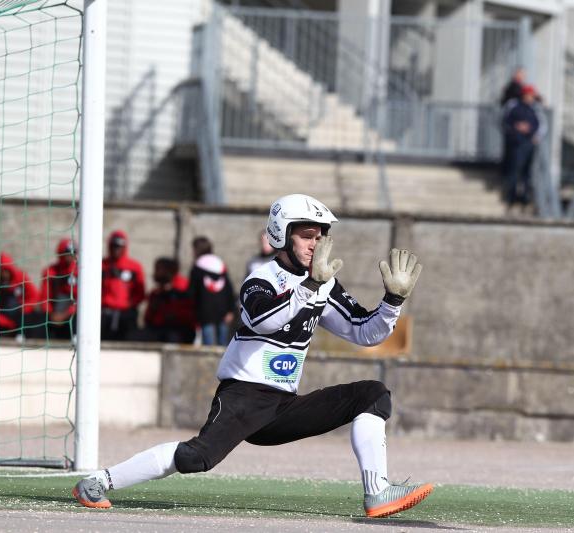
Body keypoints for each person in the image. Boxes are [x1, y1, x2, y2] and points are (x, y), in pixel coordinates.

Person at [71, 193, 432, 518]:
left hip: (282, 406)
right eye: (307, 236)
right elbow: (264, 320)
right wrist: (310, 286)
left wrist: (393, 301)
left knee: (373, 394)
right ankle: (99, 481)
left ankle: (377, 493)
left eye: (321, 237)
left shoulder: (324, 284)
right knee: (197, 457)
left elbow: (365, 332)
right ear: (282, 235)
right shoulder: (260, 279)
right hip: (243, 397)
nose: (316, 244)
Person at [188, 236, 235, 346]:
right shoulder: (220, 264)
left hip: (205, 313)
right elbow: (229, 289)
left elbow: (192, 292)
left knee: (208, 346)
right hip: (223, 311)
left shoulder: (197, 267)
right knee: (223, 346)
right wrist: (231, 310)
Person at [501, 84, 541, 211]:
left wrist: (531, 131)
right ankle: (511, 197)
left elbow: (538, 125)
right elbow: (506, 123)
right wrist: (517, 128)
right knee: (514, 171)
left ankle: (525, 197)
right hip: (517, 144)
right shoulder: (515, 107)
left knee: (526, 173)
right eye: (529, 95)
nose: (531, 98)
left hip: (528, 144)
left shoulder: (533, 110)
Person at [100, 230, 145, 341]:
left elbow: (140, 292)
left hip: (126, 313)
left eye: (119, 246)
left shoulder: (134, 267)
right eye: (114, 246)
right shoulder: (101, 265)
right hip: (104, 313)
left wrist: (128, 304)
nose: (116, 249)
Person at [0, 252, 42, 339]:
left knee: (36, 317)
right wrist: (7, 323)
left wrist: (24, 309)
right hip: (3, 319)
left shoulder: (21, 278)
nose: (4, 274)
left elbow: (34, 296)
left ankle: (22, 335)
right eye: (1, 271)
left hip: (21, 315)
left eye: (6, 271)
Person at [140, 257, 196, 343]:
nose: (156, 273)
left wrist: (173, 315)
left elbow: (189, 314)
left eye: (159, 269)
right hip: (158, 330)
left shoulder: (183, 289)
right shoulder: (156, 293)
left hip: (179, 330)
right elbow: (148, 318)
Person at [40, 238, 78, 340]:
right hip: (54, 313)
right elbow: (44, 298)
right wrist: (51, 314)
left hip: (71, 313)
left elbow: (80, 300)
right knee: (39, 318)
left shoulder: (80, 272)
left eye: (73, 252)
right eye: (67, 253)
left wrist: (66, 314)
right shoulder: (50, 272)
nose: (70, 256)